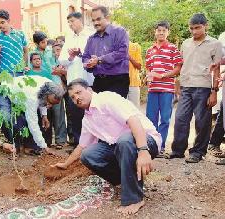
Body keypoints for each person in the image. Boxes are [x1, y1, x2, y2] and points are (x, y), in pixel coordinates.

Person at [51, 78, 161, 215]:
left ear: (89, 90)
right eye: (73, 97)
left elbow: (134, 121)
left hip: (145, 141)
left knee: (124, 140)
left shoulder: (107, 99)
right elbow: (81, 146)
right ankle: (125, 181)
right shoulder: (87, 119)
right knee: (88, 155)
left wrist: (143, 151)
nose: (77, 98)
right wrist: (66, 164)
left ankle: (134, 199)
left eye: (79, 92)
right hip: (122, 147)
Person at [166, 14, 223, 163]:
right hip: (186, 86)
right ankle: (178, 150)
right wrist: (177, 82)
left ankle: (198, 152)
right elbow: (181, 64)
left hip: (203, 87)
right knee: (180, 119)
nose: (194, 31)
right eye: (191, 28)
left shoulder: (215, 44)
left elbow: (216, 69)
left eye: (197, 28)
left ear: (206, 26)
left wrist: (214, 91)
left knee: (202, 122)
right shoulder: (185, 43)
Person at [0, 75, 64, 154]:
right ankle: (13, 146)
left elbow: (43, 100)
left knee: (25, 119)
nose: (49, 106)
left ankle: (28, 146)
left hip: (21, 95)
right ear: (45, 94)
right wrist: (45, 147)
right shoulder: (32, 97)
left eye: (52, 104)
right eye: (49, 103)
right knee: (7, 118)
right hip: (6, 91)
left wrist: (44, 116)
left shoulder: (50, 86)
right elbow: (33, 123)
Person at [145, 21, 182, 156]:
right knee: (150, 119)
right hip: (153, 89)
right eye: (158, 30)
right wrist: (149, 76)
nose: (161, 33)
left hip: (167, 89)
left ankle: (160, 147)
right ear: (155, 32)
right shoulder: (150, 50)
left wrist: (161, 75)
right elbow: (148, 67)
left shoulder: (173, 49)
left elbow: (178, 68)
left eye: (164, 31)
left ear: (168, 32)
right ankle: (151, 146)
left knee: (165, 119)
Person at [58, 12, 94, 147]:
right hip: (73, 82)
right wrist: (71, 57)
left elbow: (96, 55)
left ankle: (92, 146)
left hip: (89, 81)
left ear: (80, 20)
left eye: (72, 21)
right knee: (75, 115)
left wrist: (81, 53)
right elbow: (61, 59)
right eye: (69, 22)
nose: (70, 24)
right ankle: (79, 145)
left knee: (91, 115)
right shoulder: (69, 38)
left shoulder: (91, 35)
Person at [82, 6, 129, 97]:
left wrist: (99, 60)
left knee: (115, 110)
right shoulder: (91, 39)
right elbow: (85, 56)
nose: (96, 23)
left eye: (98, 19)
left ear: (107, 18)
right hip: (99, 81)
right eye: (93, 20)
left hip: (117, 80)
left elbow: (122, 52)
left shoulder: (120, 32)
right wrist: (88, 63)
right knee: (99, 110)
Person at [0, 9, 29, 76]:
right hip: (3, 73)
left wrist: (25, 65)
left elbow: (26, 51)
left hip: (19, 71)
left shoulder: (20, 34)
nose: (0, 25)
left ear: (8, 20)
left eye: (2, 22)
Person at [128, 38, 142, 108]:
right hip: (119, 84)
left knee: (134, 110)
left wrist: (129, 57)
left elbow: (139, 66)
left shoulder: (135, 46)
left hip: (133, 83)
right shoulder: (115, 48)